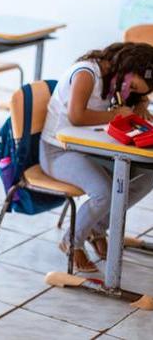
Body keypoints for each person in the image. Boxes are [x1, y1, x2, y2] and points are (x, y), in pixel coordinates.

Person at [40, 42, 153, 272]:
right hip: (57, 151)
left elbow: (130, 98)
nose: (130, 93)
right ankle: (72, 241)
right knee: (104, 192)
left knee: (148, 175)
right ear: (128, 67)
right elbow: (77, 117)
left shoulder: (115, 78)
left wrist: (141, 101)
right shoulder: (87, 73)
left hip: (87, 149)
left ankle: (96, 227)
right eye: (132, 87)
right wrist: (115, 115)